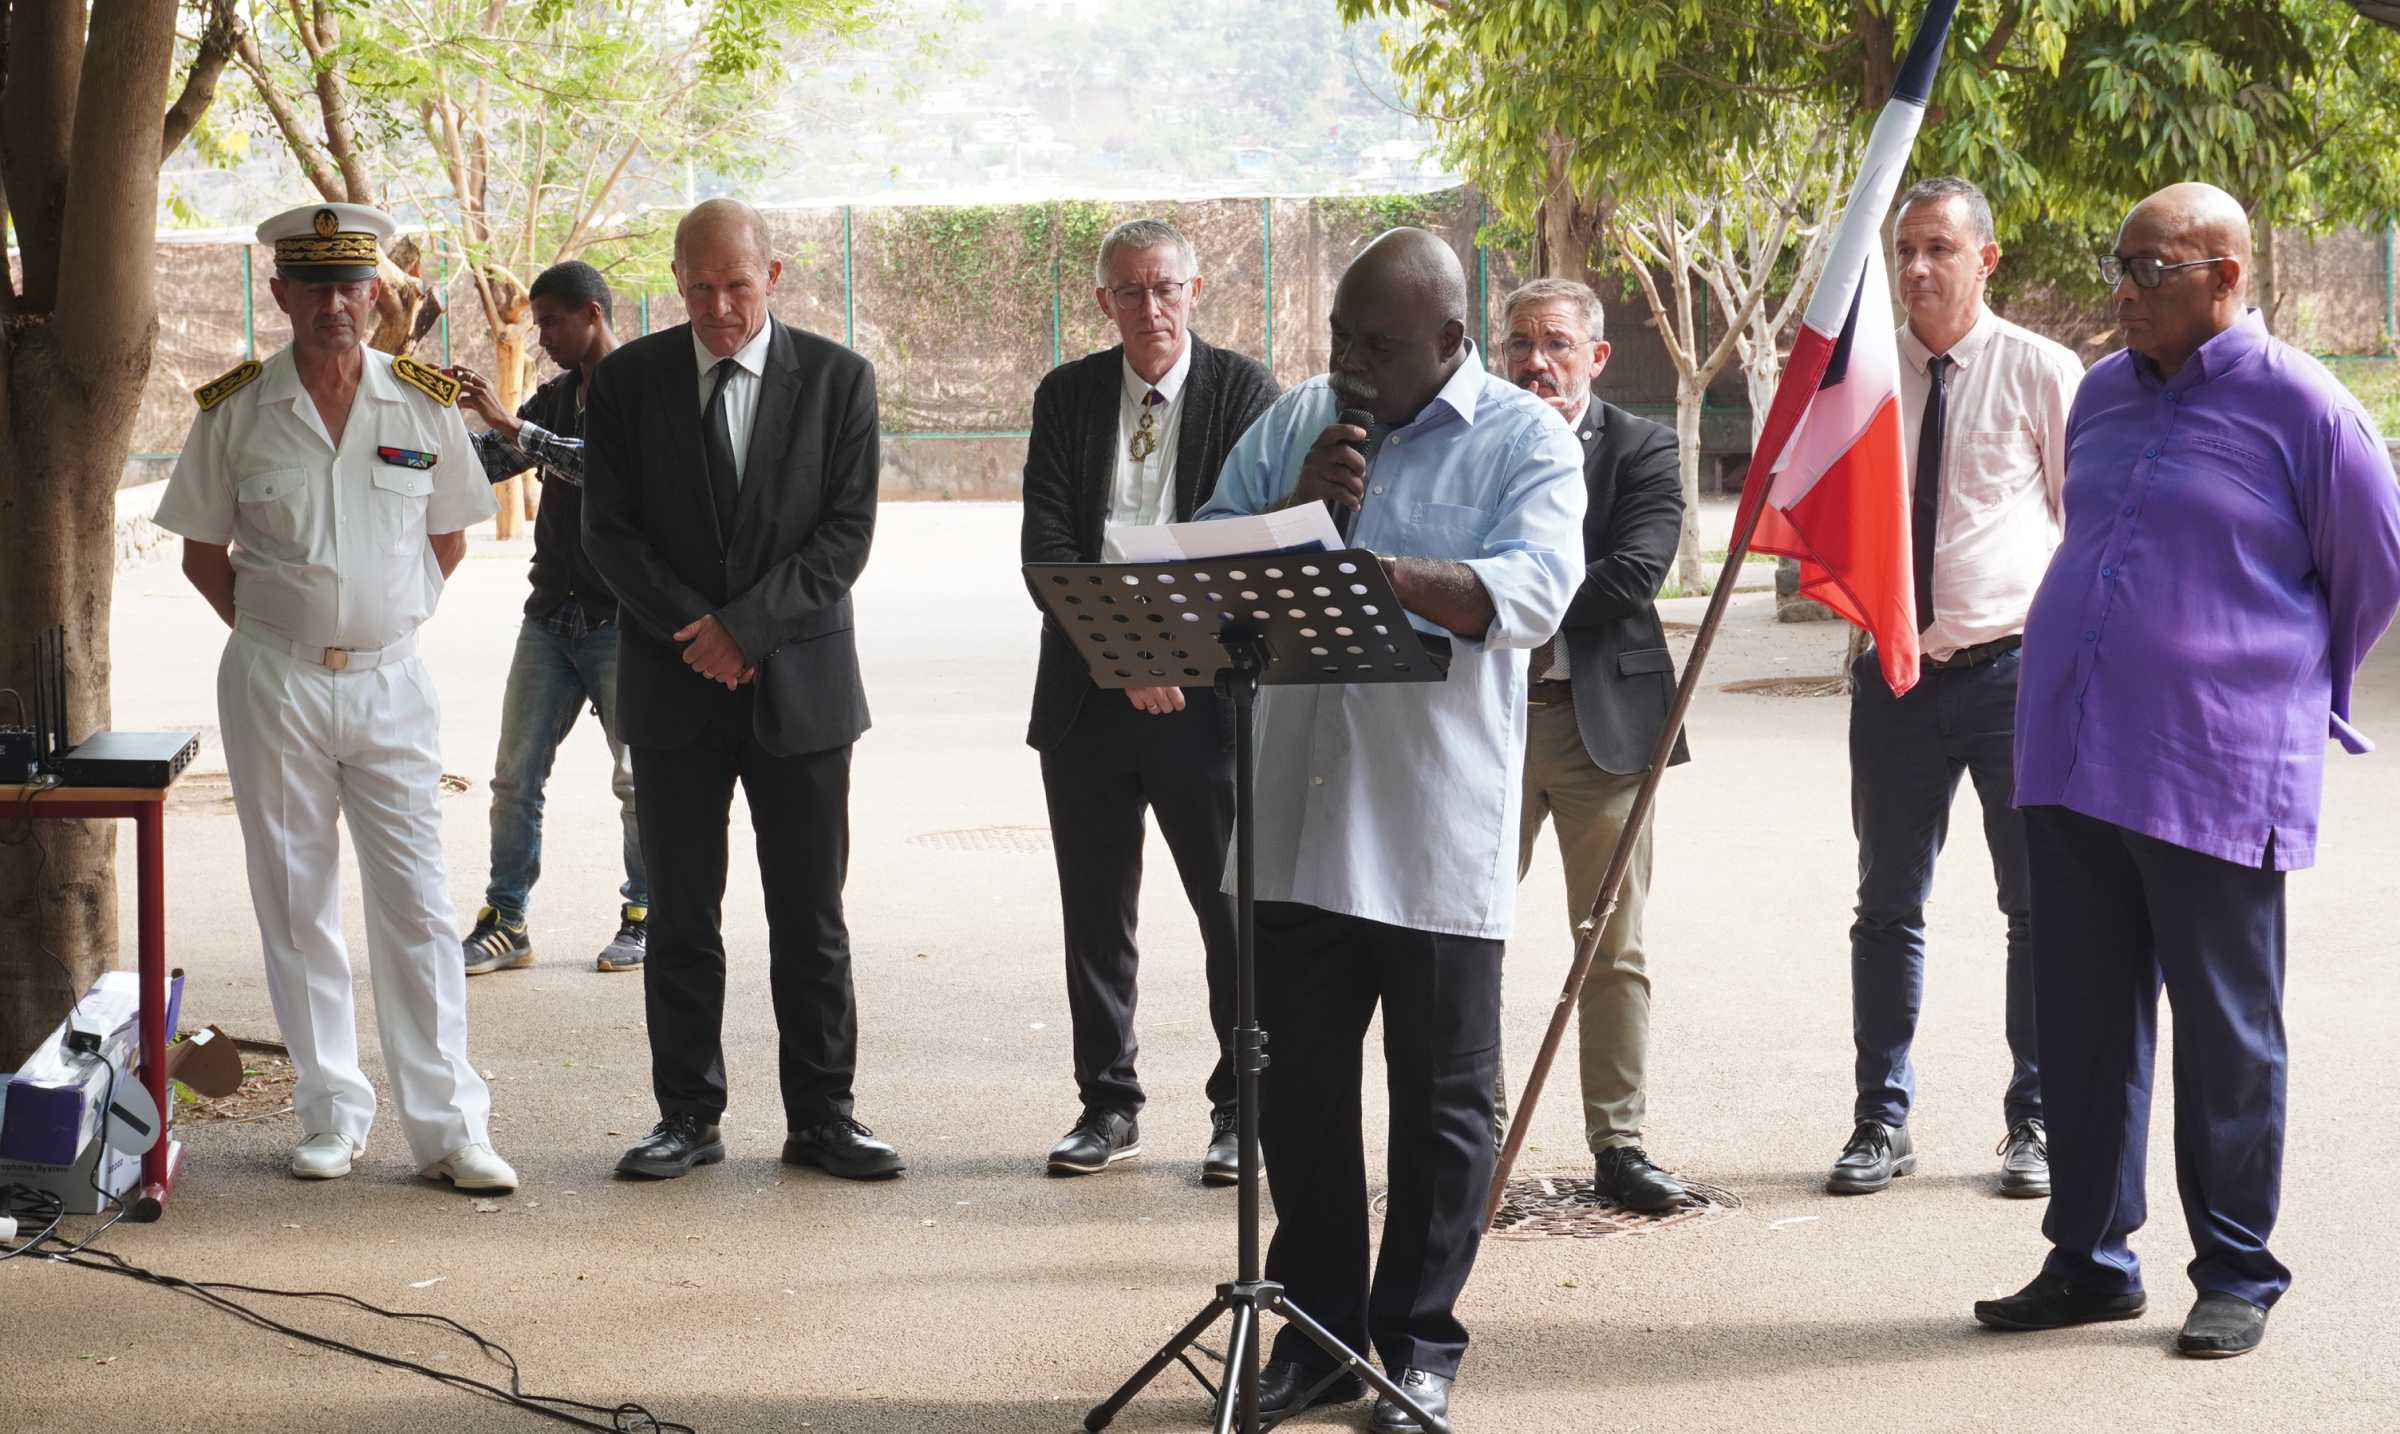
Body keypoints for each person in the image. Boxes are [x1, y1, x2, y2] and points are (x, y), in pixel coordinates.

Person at [1974, 181, 2400, 1358]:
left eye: (2150, 269)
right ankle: (2090, 1259)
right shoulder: (2102, 393)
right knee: (2084, 1020)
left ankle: (2237, 1269)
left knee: (2226, 1029)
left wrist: (2275, 685)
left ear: (2226, 276)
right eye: (2120, 264)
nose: (2124, 292)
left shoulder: (2305, 408)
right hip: (2071, 751)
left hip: (2215, 763)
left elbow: (2372, 567)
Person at [1197, 227, 1585, 1433]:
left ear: (1453, 341)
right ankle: (1317, 1335)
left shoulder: (1527, 438)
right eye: (1338, 337)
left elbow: (1530, 593)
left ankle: (1417, 1344)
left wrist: (1379, 569)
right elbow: (1201, 556)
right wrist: (1296, 510)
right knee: (1297, 1099)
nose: (1350, 363)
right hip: (1292, 825)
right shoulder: (1300, 420)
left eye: (1377, 343)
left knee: (1443, 1107)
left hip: (1430, 831)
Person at [153, 202, 515, 1193]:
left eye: (351, 286)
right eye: (313, 287)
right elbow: (200, 554)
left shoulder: (426, 400)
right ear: (281, 296)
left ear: (376, 296)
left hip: (392, 682)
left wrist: (382, 625)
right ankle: (331, 1116)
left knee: (418, 904)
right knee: (296, 901)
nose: (334, 306)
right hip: (275, 680)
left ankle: (449, 1128)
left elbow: (451, 535)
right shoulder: (235, 408)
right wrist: (289, 633)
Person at [582, 198, 903, 1183]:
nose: (720, 305)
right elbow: (611, 531)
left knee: (811, 916)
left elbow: (845, 534)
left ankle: (824, 1118)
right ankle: (687, 1115)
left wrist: (747, 630)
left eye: (739, 283)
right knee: (681, 911)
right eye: (701, 285)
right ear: (676, 280)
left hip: (801, 688)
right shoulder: (628, 383)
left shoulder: (840, 380)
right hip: (675, 687)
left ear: (775, 276)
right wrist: (701, 637)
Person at [1830, 176, 2083, 1199]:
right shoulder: (1863, 376)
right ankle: (1880, 1119)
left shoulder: (2042, 370)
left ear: (1987, 258)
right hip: (1894, 674)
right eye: (1906, 252)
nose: (1920, 270)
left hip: (2014, 677)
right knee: (1888, 904)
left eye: (1940, 249)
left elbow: (2084, 522)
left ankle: (2039, 1119)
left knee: (2039, 904)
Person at [1019, 219, 1278, 1184]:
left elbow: (1256, 542)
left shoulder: (1245, 391)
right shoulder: (1067, 396)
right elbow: (1047, 548)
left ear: (1196, 289)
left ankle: (1241, 1110)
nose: (1150, 306)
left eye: (1165, 286)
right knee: (1095, 912)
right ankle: (1107, 1105)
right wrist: (1120, 655)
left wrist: (1170, 650)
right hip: (1088, 699)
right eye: (1128, 291)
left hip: (1207, 701)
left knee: (1230, 910)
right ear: (1103, 303)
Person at [1494, 276, 1691, 1212]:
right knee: (1461, 936)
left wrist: (1495, 591)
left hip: (1599, 728)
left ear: (1596, 356)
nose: (1537, 362)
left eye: (1558, 344)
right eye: (1521, 345)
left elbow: (1635, 575)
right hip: (1480, 727)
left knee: (1612, 946)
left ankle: (1619, 1145)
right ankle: (1469, 1131)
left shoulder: (1643, 447)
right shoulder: (1474, 440)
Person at [449, 260, 648, 977]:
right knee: (514, 777)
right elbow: (487, 461)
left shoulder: (646, 388)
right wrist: (423, 415)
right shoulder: (557, 396)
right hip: (550, 617)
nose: (544, 339)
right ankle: (506, 920)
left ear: (594, 313)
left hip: (623, 620)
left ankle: (645, 913)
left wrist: (512, 424)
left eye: (552, 324)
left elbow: (608, 470)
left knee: (637, 780)